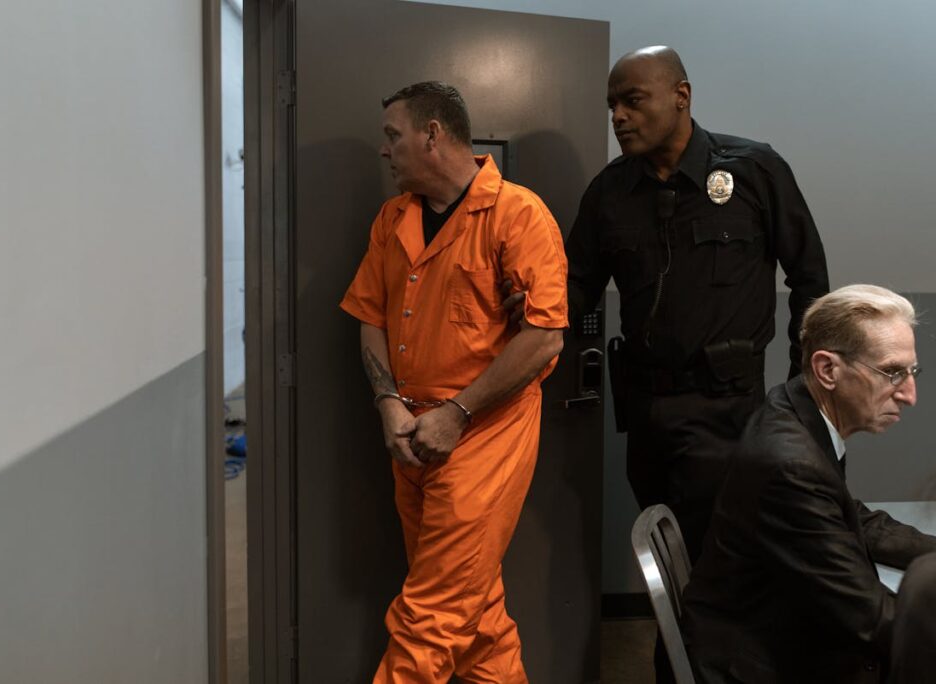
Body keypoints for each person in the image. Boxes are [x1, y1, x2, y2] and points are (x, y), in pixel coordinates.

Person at [562, 46, 830, 563]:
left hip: (727, 411)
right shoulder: (610, 192)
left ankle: (692, 649)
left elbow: (810, 282)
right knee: (669, 557)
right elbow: (573, 290)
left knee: (722, 559)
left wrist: (804, 393)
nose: (618, 116)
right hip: (645, 416)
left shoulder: (755, 171)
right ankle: (681, 644)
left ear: (681, 96)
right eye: (612, 104)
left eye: (633, 100)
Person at [341, 81, 568, 684]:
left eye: (394, 135)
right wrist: (388, 403)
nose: (385, 150)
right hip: (411, 438)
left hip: (482, 439)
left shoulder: (518, 214)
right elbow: (371, 315)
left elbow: (545, 337)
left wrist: (457, 414)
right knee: (475, 613)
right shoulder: (394, 219)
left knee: (429, 619)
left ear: (432, 135)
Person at [681, 284, 936, 683]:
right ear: (827, 369)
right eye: (892, 372)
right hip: (761, 666)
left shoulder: (796, 407)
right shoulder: (790, 465)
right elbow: (872, 620)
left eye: (912, 371)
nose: (909, 394)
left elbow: (854, 519)